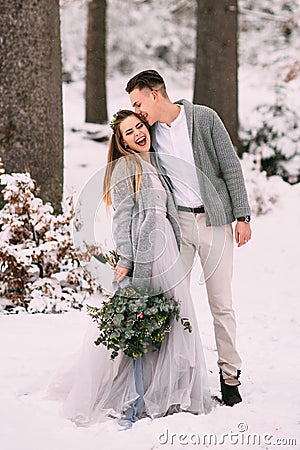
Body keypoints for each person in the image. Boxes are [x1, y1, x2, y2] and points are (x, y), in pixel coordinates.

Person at [59, 110, 212, 426]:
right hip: (147, 252)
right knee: (145, 317)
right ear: (122, 141)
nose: (138, 133)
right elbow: (123, 218)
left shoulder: (153, 162)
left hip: (166, 247)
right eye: (130, 132)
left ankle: (170, 388)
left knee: (173, 314)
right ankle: (134, 393)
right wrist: (127, 262)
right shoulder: (125, 168)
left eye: (140, 126)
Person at [125, 70, 252, 407]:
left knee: (221, 304)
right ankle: (177, 377)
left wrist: (243, 216)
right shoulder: (148, 132)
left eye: (138, 103)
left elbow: (231, 167)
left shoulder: (203, 118)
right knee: (173, 301)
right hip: (178, 224)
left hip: (215, 222)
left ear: (155, 94)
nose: (138, 112)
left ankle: (230, 378)